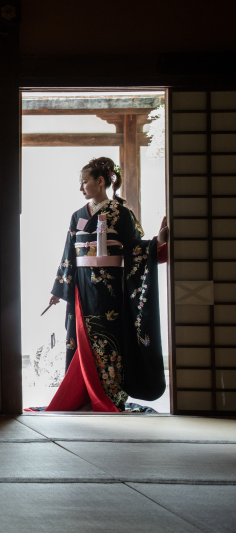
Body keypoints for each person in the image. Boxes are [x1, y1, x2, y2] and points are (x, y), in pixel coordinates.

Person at [43, 157, 168, 412]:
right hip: (82, 289)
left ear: (101, 181)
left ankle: (110, 394)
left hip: (111, 289)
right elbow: (69, 253)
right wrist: (59, 290)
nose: (81, 188)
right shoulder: (77, 216)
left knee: (110, 340)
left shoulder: (122, 213)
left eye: (84, 182)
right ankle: (86, 394)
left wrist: (157, 243)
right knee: (83, 339)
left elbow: (136, 250)